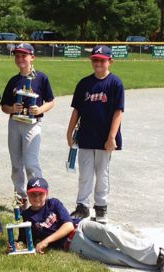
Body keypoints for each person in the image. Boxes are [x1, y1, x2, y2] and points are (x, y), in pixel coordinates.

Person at [11, 177, 164, 272]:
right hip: (73, 244)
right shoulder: (27, 216)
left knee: (112, 233)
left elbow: (69, 226)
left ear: (47, 193)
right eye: (33, 194)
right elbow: (24, 240)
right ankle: (153, 265)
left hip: (81, 227)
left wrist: (46, 241)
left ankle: (158, 256)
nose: (37, 198)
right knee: (113, 257)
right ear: (28, 195)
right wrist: (16, 245)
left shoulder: (54, 203)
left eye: (40, 194)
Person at [66, 45, 125, 223]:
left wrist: (112, 137)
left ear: (110, 61)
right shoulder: (84, 83)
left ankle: (101, 207)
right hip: (85, 135)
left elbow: (118, 111)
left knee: (102, 173)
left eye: (102, 60)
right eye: (95, 59)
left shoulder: (115, 83)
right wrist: (69, 132)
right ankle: (82, 206)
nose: (98, 63)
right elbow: (76, 110)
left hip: (105, 138)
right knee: (85, 173)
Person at [0, 43, 54, 204]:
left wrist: (39, 109)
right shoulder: (14, 81)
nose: (20, 58)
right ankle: (20, 197)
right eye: (17, 55)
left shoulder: (41, 78)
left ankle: (39, 197)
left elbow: (51, 101)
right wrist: (12, 108)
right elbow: (4, 106)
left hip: (32, 124)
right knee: (16, 164)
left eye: (24, 55)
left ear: (32, 57)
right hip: (15, 123)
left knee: (31, 163)